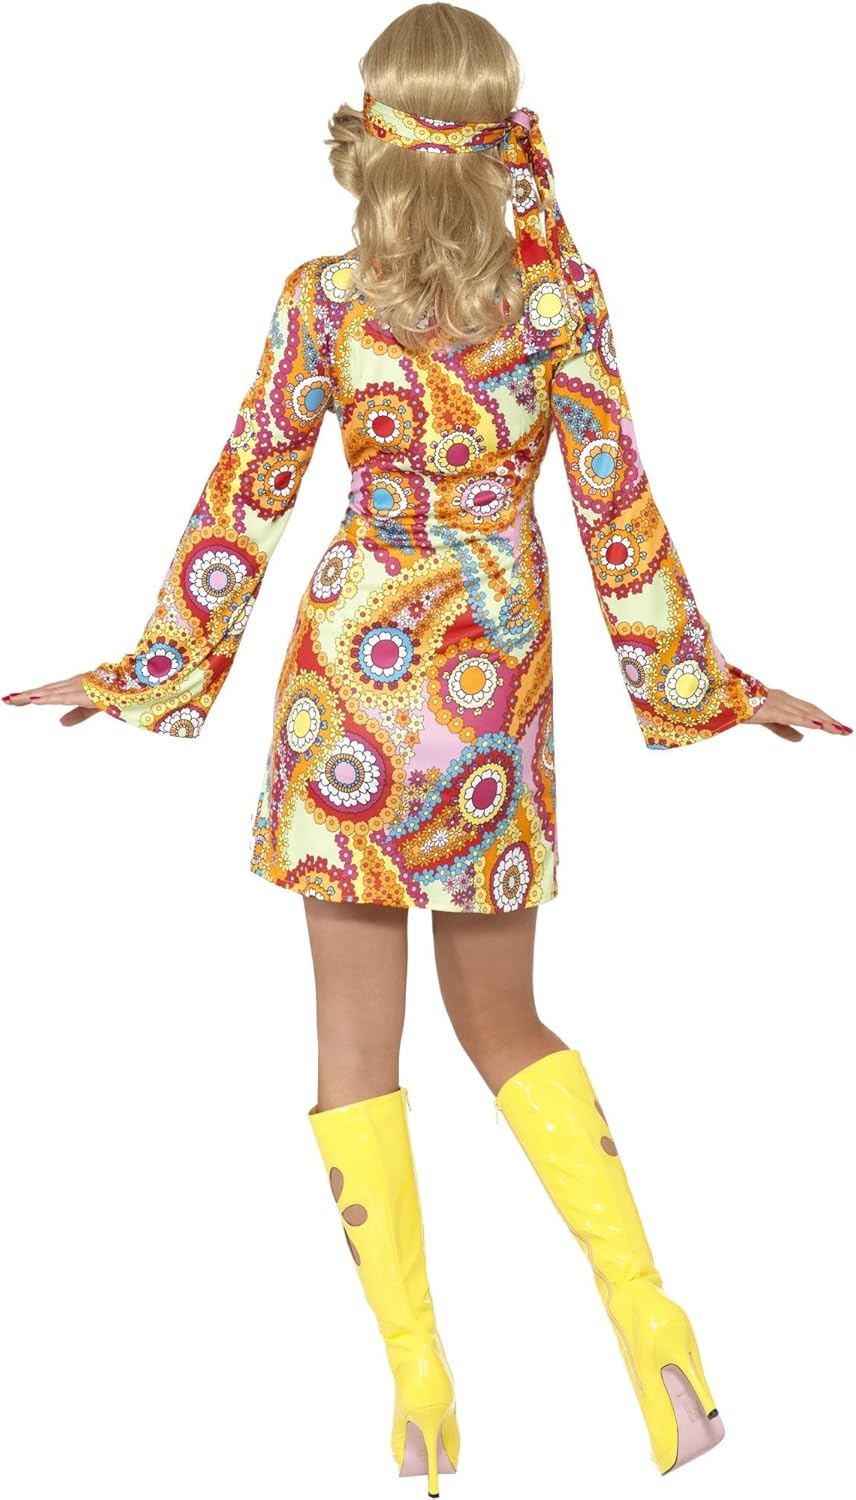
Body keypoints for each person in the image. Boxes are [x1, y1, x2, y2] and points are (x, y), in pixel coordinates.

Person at [3, 3, 851, 1493]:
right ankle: (656, 1333)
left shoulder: (323, 299)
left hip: (347, 698)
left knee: (352, 1048)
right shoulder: (559, 300)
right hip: (489, 703)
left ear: (373, 134)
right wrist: (706, 684)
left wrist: (153, 669)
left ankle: (418, 1393)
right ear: (500, 131)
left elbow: (248, 496)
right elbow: (619, 513)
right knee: (506, 1025)